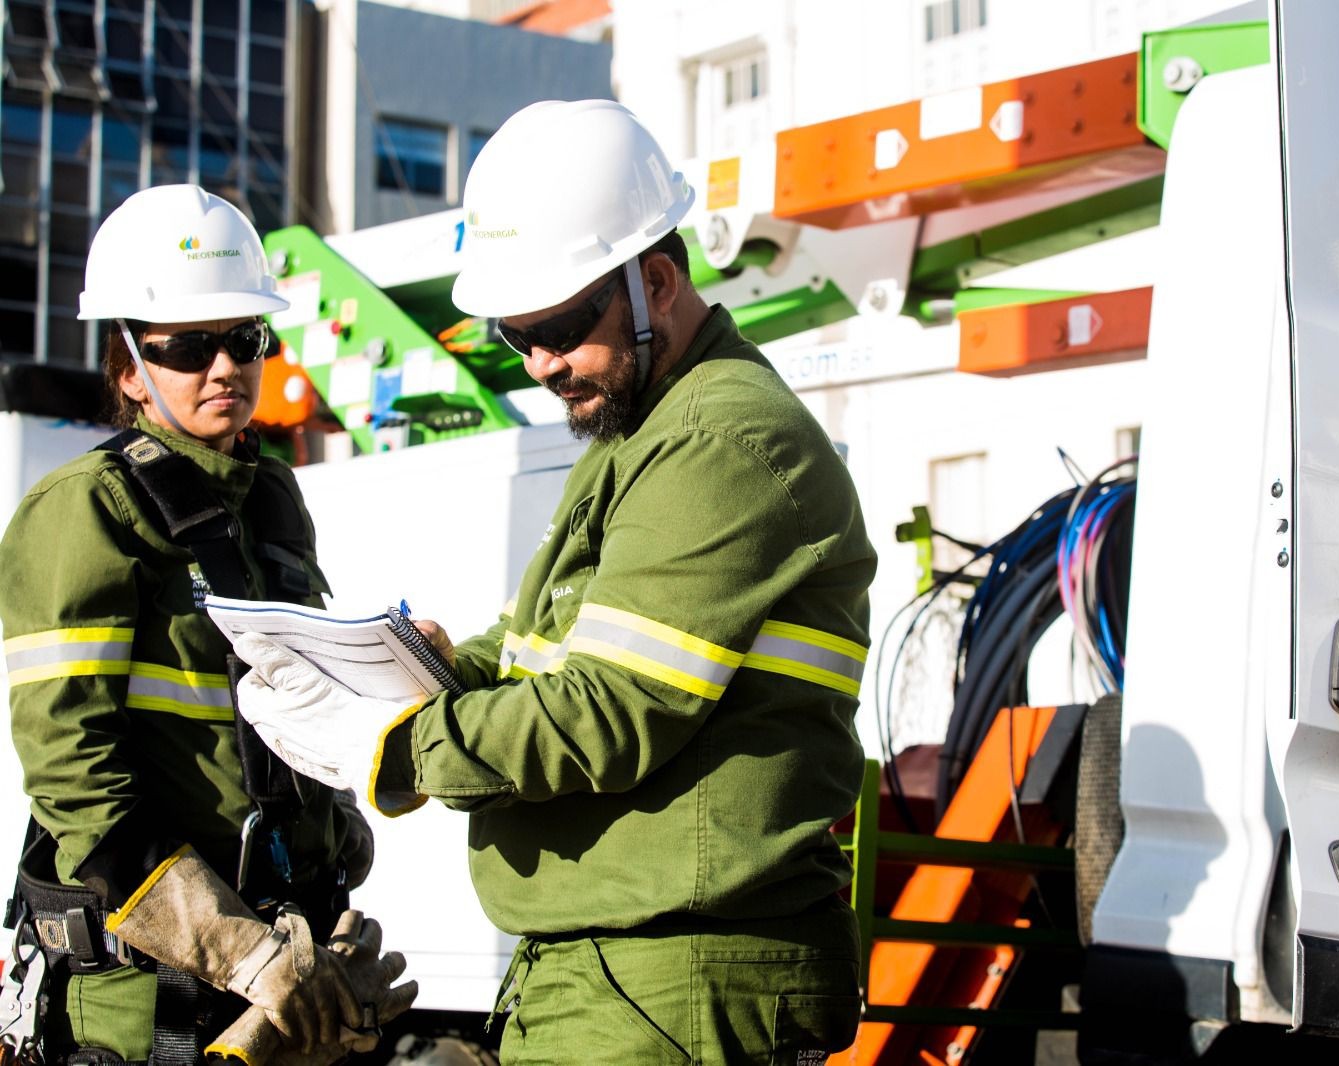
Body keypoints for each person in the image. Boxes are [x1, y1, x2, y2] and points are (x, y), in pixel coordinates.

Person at [232, 100, 878, 1064]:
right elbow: (541, 652)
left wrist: (399, 744)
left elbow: (610, 712)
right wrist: (423, 671)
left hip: (676, 979)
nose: (538, 363)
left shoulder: (718, 441)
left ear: (657, 282)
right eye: (512, 332)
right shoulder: (638, 431)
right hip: (632, 974)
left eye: (562, 326)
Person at [0, 184, 415, 1064]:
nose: (224, 366)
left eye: (244, 339)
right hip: (147, 1001)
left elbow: (299, 711)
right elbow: (74, 775)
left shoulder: (271, 500)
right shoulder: (84, 510)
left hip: (282, 985)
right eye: (188, 347)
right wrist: (240, 950)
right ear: (127, 370)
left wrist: (332, 884)